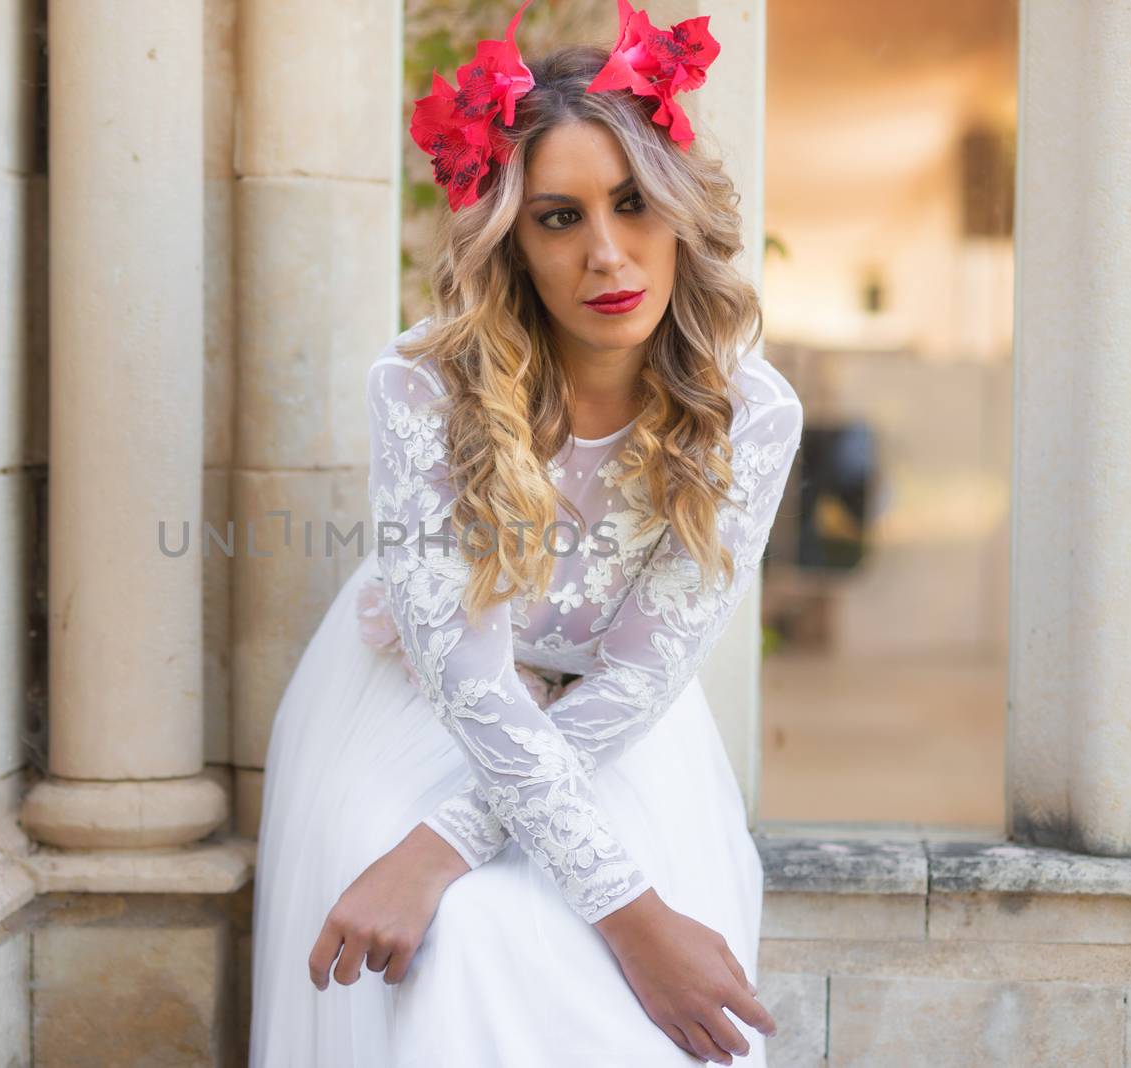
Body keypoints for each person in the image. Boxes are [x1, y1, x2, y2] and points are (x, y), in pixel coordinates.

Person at [250, 4, 802, 1064]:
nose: (607, 254)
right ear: (510, 235)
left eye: (634, 204)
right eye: (559, 217)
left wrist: (456, 849)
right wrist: (626, 918)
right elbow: (465, 676)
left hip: (614, 727)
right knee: (459, 946)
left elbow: (640, 680)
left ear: (681, 209)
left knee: (597, 985)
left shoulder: (752, 412)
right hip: (414, 705)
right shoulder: (421, 384)